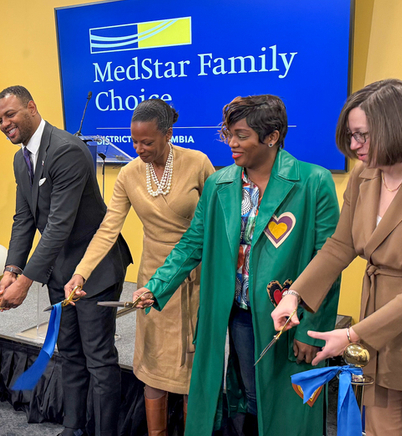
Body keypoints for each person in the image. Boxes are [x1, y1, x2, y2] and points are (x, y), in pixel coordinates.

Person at [133, 95, 341, 436]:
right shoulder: (219, 184)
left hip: (287, 320)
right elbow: (192, 244)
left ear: (271, 137)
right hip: (235, 314)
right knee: (248, 400)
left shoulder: (313, 182)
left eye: (241, 135)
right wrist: (157, 287)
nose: (231, 142)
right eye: (228, 133)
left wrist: (310, 331)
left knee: (285, 406)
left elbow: (328, 264)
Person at [272, 79, 402, 435]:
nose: (354, 147)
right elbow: (340, 245)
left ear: (398, 127)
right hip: (375, 333)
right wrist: (295, 295)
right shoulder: (365, 175)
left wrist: (353, 335)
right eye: (351, 136)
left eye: (362, 136)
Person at [64, 99, 213, 435]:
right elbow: (108, 229)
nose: (139, 148)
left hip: (194, 279)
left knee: (191, 374)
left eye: (147, 142)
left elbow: (217, 224)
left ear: (168, 134)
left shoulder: (198, 163)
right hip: (151, 285)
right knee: (153, 370)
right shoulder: (130, 174)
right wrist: (81, 272)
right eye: (134, 141)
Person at [0, 85, 132, 436]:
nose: (4, 123)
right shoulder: (19, 158)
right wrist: (11, 269)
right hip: (60, 272)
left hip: (95, 270)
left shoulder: (67, 150)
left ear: (31, 107)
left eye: (10, 114)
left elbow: (58, 225)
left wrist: (26, 282)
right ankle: (74, 428)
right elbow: (24, 219)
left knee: (99, 359)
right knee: (69, 353)